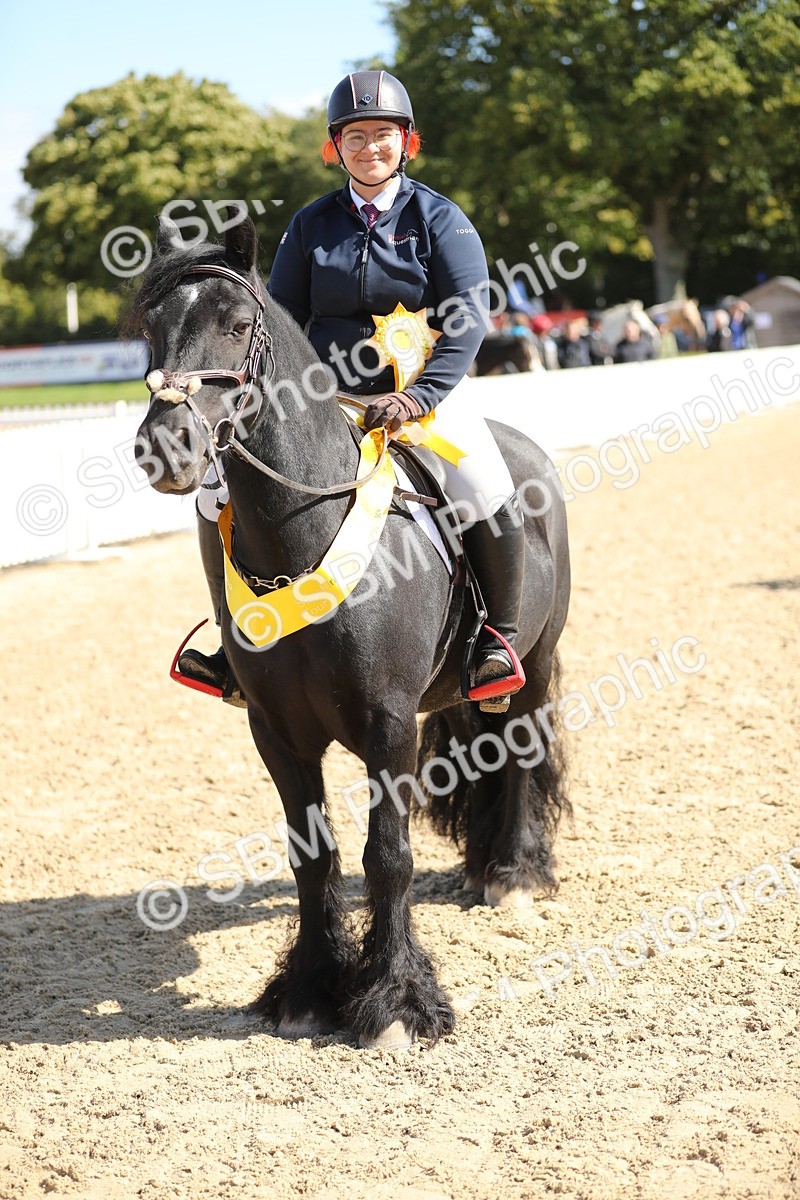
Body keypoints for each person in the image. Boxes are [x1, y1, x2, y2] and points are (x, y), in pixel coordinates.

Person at [180, 70, 526, 707]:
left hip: (425, 393)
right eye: (356, 135)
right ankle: (233, 647)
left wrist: (418, 398)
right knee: (213, 489)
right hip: (327, 401)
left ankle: (494, 643)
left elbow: (468, 320)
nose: (371, 147)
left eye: (384, 135)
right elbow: (277, 323)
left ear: (408, 142)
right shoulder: (310, 224)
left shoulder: (440, 220)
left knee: (485, 482)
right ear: (335, 146)